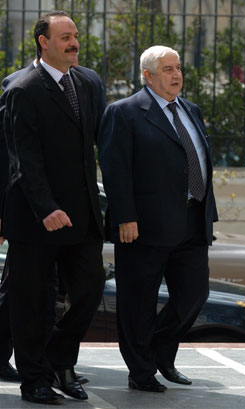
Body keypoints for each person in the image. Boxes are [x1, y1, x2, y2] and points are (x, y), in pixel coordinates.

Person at [99, 45, 218, 393]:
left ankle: (160, 352)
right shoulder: (124, 113)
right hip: (143, 226)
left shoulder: (191, 110)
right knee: (137, 303)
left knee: (194, 294)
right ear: (147, 76)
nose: (177, 74)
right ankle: (141, 371)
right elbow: (115, 168)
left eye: (178, 67)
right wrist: (125, 216)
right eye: (167, 69)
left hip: (192, 221)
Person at [2, 11, 105, 404]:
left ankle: (60, 359)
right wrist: (45, 207)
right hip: (35, 218)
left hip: (82, 215)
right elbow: (22, 159)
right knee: (32, 303)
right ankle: (35, 381)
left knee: (90, 289)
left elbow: (101, 141)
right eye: (65, 36)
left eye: (75, 35)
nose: (74, 42)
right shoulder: (22, 89)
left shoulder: (88, 81)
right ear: (43, 42)